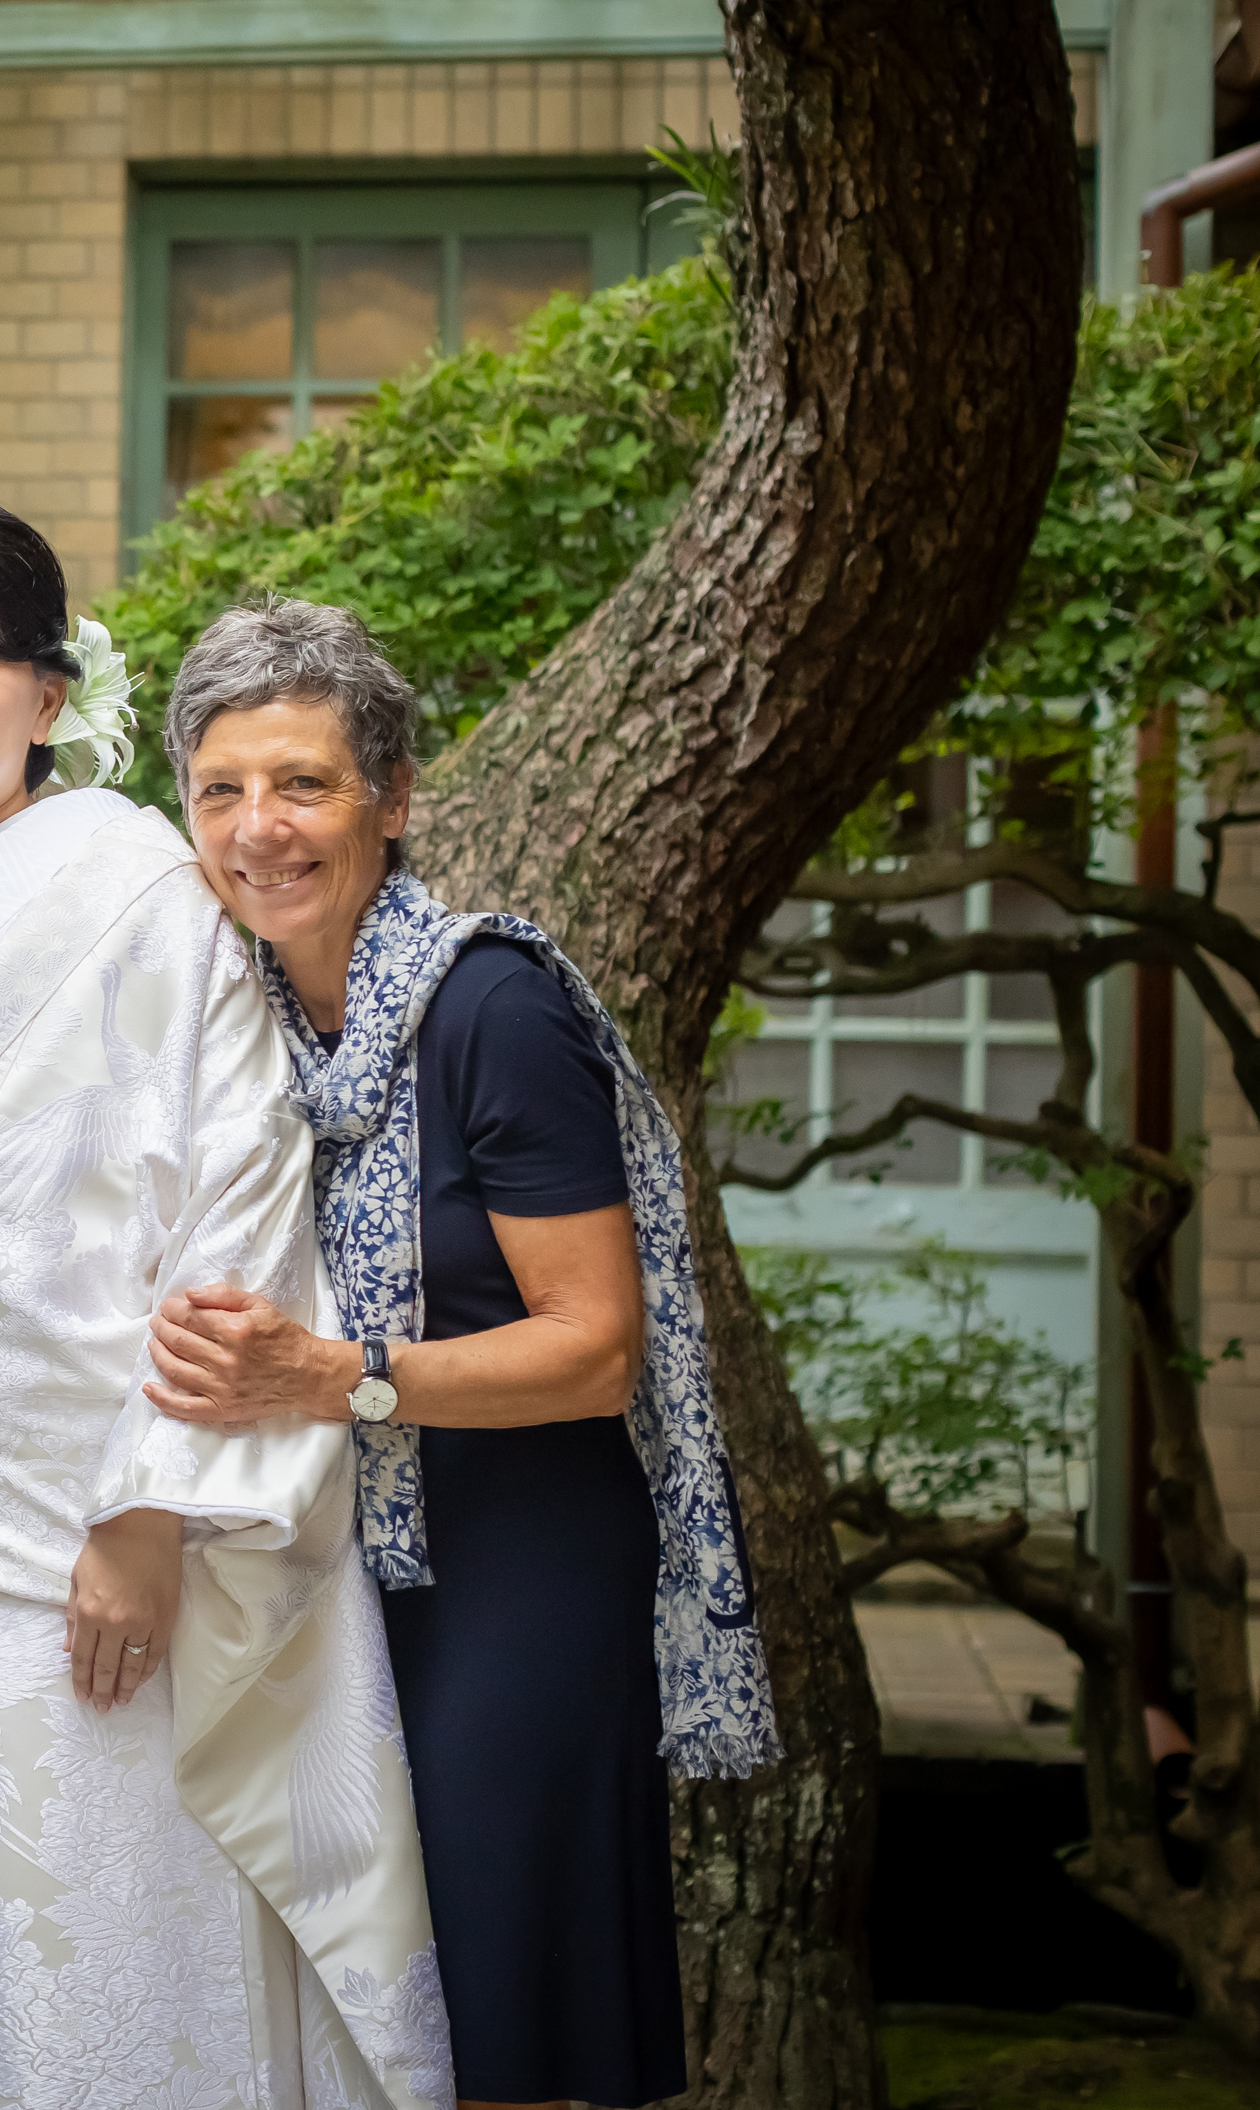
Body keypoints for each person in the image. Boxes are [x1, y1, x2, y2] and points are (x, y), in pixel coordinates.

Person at [0, 500, 452, 2110]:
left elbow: (237, 1212)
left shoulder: (150, 893)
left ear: (49, 694)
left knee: (74, 1988)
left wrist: (155, 1509)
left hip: (82, 1555)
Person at [144, 596, 779, 2110]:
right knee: (368, 2021)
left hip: (521, 1576)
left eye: (303, 783)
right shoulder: (235, 1024)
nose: (260, 828)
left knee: (504, 2026)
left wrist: (335, 1375)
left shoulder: (489, 1007)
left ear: (395, 798)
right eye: (222, 789)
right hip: (332, 1570)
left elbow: (594, 1351)